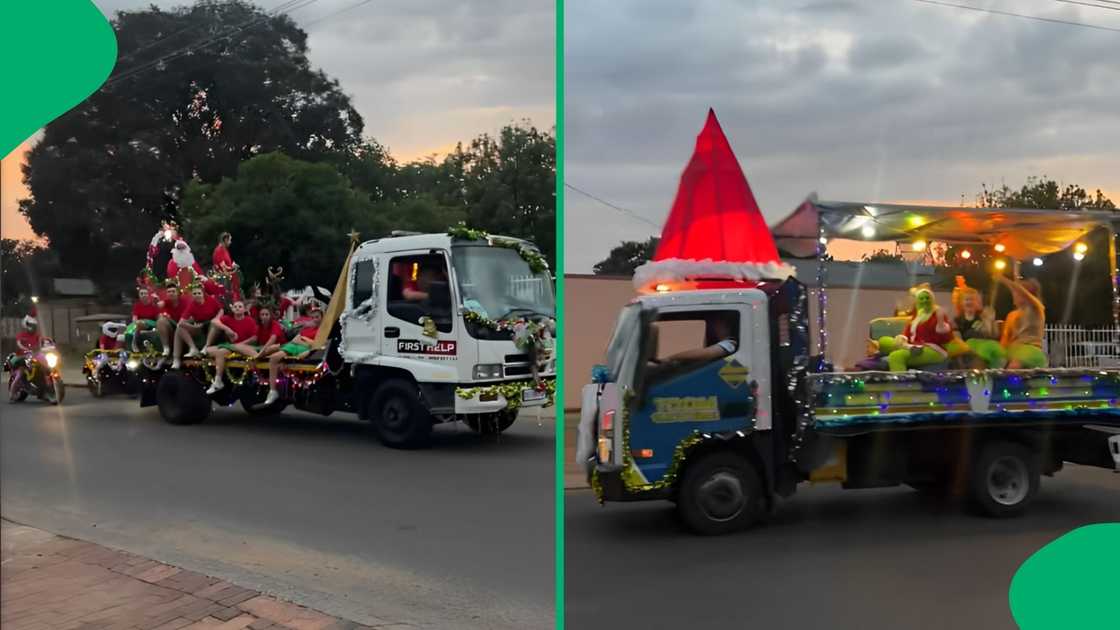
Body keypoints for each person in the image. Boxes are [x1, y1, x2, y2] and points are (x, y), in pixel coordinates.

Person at [877, 284, 953, 372]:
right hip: (913, 345)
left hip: (933, 350)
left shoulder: (938, 314)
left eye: (927, 298)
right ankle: (908, 347)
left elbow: (946, 338)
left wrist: (940, 322)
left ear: (932, 300)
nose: (925, 300)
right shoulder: (918, 315)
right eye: (921, 298)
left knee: (896, 356)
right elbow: (907, 333)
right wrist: (902, 339)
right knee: (883, 341)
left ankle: (901, 384)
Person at [261, 307, 323, 406]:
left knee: (276, 355)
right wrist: (302, 339)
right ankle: (273, 391)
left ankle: (276, 388)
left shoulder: (322, 330)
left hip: (302, 349)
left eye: (317, 317)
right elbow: (295, 339)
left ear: (322, 318)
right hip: (293, 346)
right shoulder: (307, 328)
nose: (315, 319)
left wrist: (303, 340)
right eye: (312, 317)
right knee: (273, 357)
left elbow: (316, 344)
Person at [203, 300, 258, 395]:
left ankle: (218, 380)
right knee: (209, 351)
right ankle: (218, 373)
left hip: (243, 347)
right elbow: (214, 321)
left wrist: (241, 344)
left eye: (240, 306)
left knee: (221, 352)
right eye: (235, 306)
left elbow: (254, 337)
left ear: (244, 309)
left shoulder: (250, 320)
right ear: (232, 309)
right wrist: (227, 329)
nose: (237, 308)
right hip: (230, 347)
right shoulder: (227, 319)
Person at [949, 277, 1005, 368]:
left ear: (977, 302)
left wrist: (990, 321)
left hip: (986, 348)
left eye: (972, 299)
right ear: (961, 303)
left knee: (999, 357)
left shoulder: (983, 316)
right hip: (969, 351)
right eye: (967, 300)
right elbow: (957, 341)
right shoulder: (958, 320)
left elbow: (993, 335)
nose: (969, 302)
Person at [998, 275, 1048, 369]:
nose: (1014, 295)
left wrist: (1005, 281)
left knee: (1014, 368)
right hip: (1013, 351)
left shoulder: (1036, 308)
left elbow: (1024, 293)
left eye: (1016, 293)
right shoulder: (1011, 315)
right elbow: (1005, 339)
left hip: (1030, 350)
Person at [171, 283, 224, 369]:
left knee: (214, 323)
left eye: (199, 293)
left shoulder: (210, 300)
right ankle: (191, 349)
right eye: (194, 294)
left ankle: (206, 347)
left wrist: (217, 318)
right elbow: (181, 322)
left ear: (203, 294)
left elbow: (221, 310)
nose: (197, 295)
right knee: (179, 328)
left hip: (212, 324)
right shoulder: (192, 305)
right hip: (200, 326)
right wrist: (193, 327)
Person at [155, 281, 190, 361]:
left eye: (173, 291)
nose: (171, 293)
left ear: (177, 292)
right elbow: (159, 306)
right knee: (161, 321)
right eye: (169, 292)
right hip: (173, 327)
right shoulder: (166, 302)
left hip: (184, 328)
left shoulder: (185, 302)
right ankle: (166, 348)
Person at [128, 286, 161, 351]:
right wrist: (136, 323)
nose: (143, 295)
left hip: (152, 324)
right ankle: (135, 343)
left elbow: (158, 318)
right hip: (140, 324)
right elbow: (134, 318)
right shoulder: (137, 305)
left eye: (145, 293)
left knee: (141, 323)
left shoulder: (153, 305)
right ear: (139, 295)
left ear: (148, 295)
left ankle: (135, 342)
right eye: (141, 293)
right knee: (139, 323)